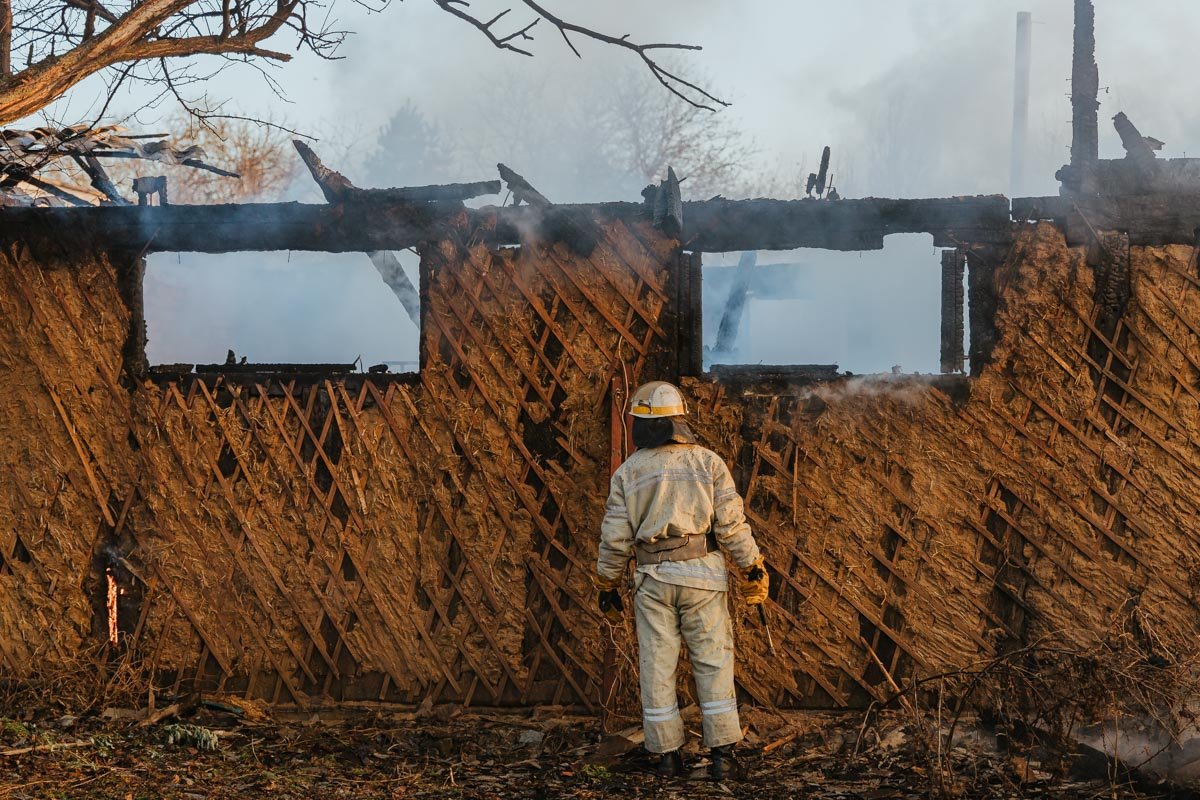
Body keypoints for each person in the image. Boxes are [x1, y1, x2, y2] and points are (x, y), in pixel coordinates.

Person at [594, 380, 769, 780]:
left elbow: (614, 537)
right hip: (702, 578)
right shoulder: (708, 462)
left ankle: (667, 758)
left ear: (639, 423)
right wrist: (752, 567)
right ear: (679, 421)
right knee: (713, 662)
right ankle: (723, 758)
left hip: (652, 580)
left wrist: (606, 583)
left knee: (657, 666)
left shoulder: (628, 473)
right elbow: (730, 525)